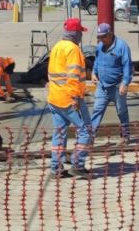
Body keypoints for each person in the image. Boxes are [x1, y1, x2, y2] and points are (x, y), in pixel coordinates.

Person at [47, 18, 93, 179]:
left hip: (55, 97)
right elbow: (73, 75)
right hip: (69, 98)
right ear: (75, 33)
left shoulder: (57, 47)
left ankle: (56, 168)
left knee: (60, 132)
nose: (81, 35)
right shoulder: (73, 49)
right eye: (80, 32)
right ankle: (77, 165)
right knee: (86, 130)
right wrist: (76, 97)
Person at [91, 23, 133, 144]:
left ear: (110, 34)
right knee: (97, 111)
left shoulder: (122, 46)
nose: (101, 39)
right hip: (102, 86)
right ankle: (90, 137)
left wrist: (125, 83)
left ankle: (125, 135)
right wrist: (94, 73)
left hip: (117, 86)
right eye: (99, 37)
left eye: (103, 36)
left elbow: (127, 66)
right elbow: (97, 62)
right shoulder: (100, 46)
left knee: (121, 111)